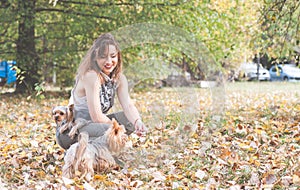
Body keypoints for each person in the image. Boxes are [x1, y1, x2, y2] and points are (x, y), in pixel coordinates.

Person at [56, 33, 147, 150]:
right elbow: (97, 116)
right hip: (71, 132)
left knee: (129, 121)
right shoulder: (91, 76)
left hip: (95, 127)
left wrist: (137, 122)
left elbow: (128, 106)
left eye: (113, 56)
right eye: (103, 56)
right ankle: (84, 151)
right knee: (109, 128)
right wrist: (117, 130)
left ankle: (100, 148)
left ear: (118, 56)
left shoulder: (119, 78)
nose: (109, 61)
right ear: (95, 57)